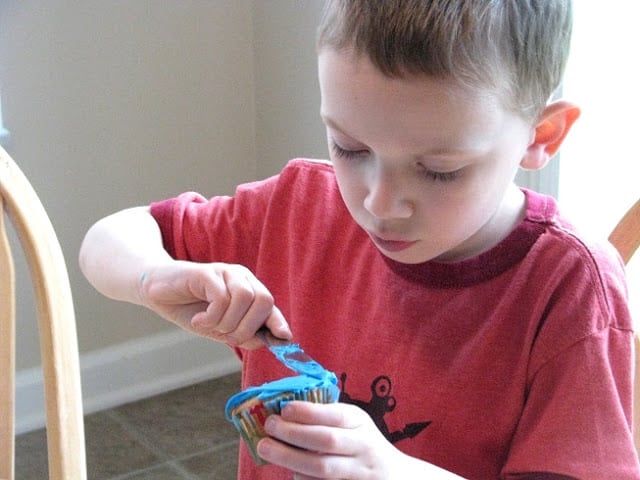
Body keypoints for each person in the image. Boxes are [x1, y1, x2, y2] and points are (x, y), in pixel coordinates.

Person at [79, 1, 640, 479]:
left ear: (542, 137)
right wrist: (156, 278)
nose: (380, 203)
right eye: (349, 148)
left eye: (440, 169)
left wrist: (395, 470)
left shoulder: (569, 288)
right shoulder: (298, 210)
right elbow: (109, 240)